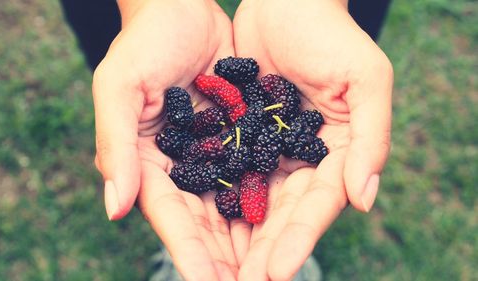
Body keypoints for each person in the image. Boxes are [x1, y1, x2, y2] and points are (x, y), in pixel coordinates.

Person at [62, 0, 393, 280]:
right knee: (123, 57)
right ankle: (178, 246)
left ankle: (292, 250)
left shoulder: (254, 130)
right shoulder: (222, 133)